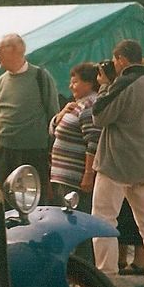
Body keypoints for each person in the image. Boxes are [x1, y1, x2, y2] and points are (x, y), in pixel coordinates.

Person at [91, 39, 144, 287]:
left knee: (104, 219)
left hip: (116, 162)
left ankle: (105, 278)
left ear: (122, 59)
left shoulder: (125, 83)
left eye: (115, 60)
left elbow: (100, 114)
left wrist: (106, 85)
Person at [0, 33, 59, 190]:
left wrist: (52, 153)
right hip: (4, 153)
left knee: (34, 202)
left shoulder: (41, 77)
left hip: (34, 153)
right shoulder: (0, 81)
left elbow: (53, 116)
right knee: (5, 200)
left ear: (14, 50)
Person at [48, 62, 101, 213]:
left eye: (75, 82)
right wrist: (62, 113)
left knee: (75, 220)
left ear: (89, 83)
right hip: (63, 177)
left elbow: (93, 142)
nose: (71, 86)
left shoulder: (90, 106)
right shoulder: (76, 105)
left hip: (75, 180)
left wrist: (88, 174)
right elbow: (53, 131)